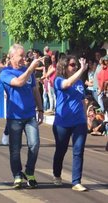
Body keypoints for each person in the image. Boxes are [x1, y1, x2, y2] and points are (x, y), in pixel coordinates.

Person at [0, 44, 43, 189]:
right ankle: (17, 175)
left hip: (30, 115)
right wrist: (31, 69)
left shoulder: (27, 71)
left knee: (35, 144)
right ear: (11, 57)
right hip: (15, 117)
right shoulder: (5, 72)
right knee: (15, 149)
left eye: (25, 56)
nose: (24, 59)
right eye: (21, 56)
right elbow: (18, 82)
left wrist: (41, 109)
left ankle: (29, 172)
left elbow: (35, 90)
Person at [52, 56, 88, 192]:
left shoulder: (79, 82)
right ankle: (57, 174)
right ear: (64, 67)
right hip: (62, 123)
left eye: (76, 65)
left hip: (79, 122)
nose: (75, 67)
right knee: (61, 150)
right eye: (72, 65)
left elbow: (82, 100)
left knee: (78, 151)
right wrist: (83, 69)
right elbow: (66, 84)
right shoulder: (58, 80)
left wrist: (85, 118)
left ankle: (76, 181)